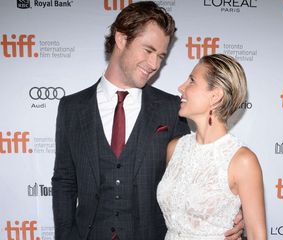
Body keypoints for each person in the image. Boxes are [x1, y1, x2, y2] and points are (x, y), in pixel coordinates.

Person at [52, 2, 244, 240]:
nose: (154, 64)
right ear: (122, 39)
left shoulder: (173, 109)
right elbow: (64, 181)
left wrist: (235, 212)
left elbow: (200, 171)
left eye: (161, 56)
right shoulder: (72, 108)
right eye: (148, 50)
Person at [157, 54, 267, 240]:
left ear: (215, 96)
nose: (181, 87)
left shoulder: (242, 161)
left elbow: (257, 235)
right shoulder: (175, 148)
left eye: (192, 81)